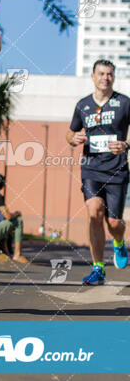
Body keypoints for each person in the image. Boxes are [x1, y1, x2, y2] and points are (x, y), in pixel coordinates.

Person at [67, 59, 130, 285]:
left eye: (110, 74)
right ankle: (98, 268)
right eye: (101, 73)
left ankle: (119, 242)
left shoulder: (124, 103)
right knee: (94, 212)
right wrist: (73, 139)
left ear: (114, 77)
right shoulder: (83, 105)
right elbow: (70, 133)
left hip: (117, 171)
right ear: (93, 76)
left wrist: (126, 144)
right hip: (91, 169)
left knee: (114, 224)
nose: (106, 77)